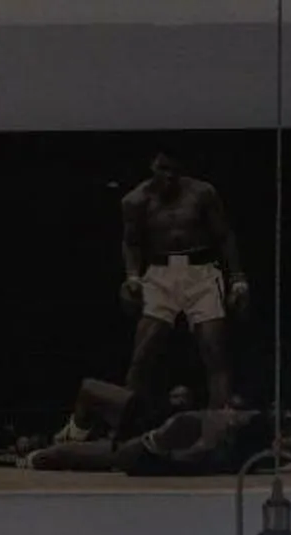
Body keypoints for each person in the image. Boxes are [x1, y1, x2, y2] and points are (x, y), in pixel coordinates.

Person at [120, 152, 250, 419]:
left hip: (201, 272)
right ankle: (125, 428)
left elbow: (224, 235)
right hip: (159, 274)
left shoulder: (202, 193)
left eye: (174, 170)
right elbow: (131, 242)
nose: (169, 175)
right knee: (142, 353)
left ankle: (219, 427)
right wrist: (132, 276)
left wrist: (237, 278)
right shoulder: (135, 200)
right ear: (152, 168)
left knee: (215, 351)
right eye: (163, 169)